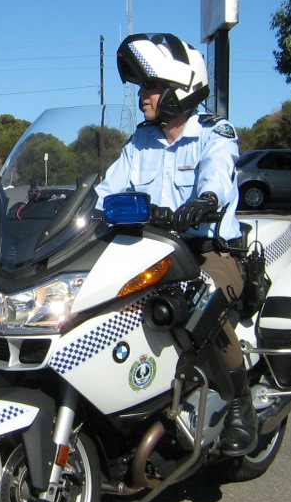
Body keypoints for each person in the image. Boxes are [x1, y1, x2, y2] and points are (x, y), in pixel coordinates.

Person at [95, 32, 257, 456]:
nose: (142, 95)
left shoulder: (213, 133)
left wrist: (203, 202)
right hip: (151, 249)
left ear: (179, 89)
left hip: (209, 252)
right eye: (142, 87)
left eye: (150, 87)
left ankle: (240, 404)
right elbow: (107, 190)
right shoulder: (141, 141)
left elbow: (218, 175)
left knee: (202, 304)